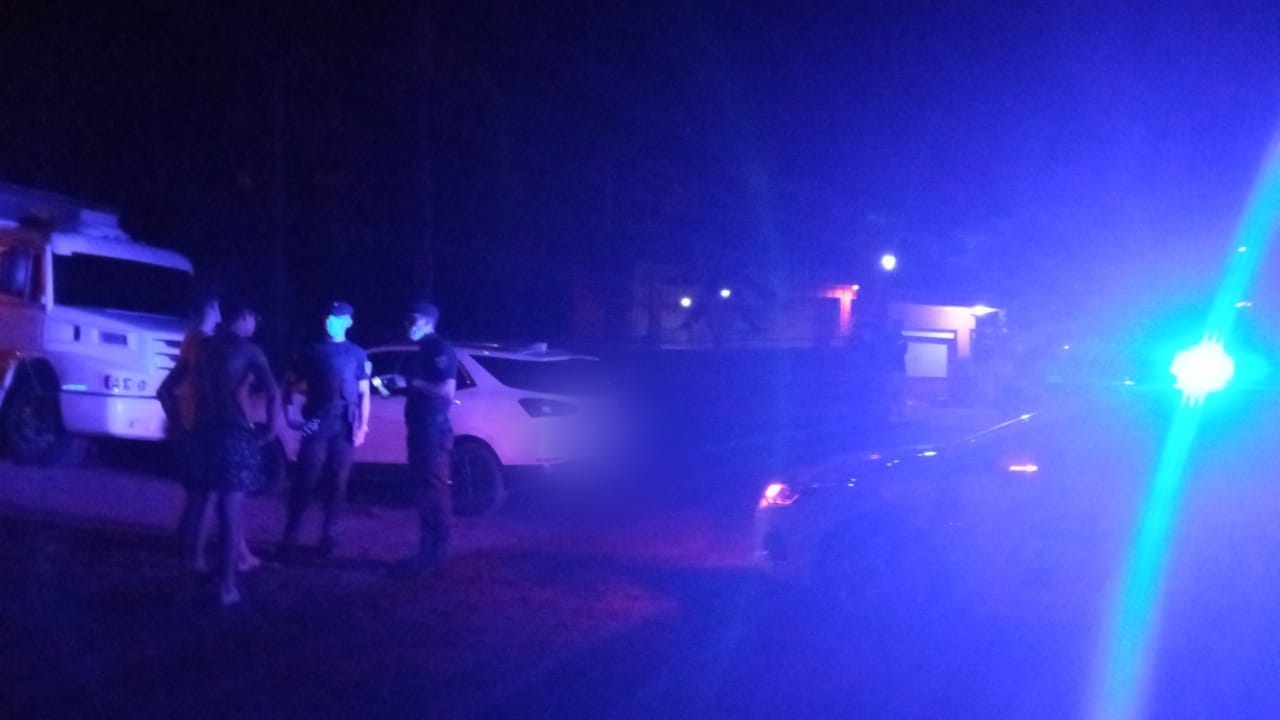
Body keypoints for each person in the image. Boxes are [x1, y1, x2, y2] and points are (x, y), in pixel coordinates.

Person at [157, 293, 261, 574]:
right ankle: (210, 564)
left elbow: (167, 388)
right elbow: (236, 394)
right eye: (215, 306)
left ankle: (194, 558)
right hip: (208, 427)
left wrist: (179, 423)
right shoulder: (209, 344)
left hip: (194, 427)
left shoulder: (196, 341)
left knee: (200, 497)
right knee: (215, 498)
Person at [193, 298, 280, 606]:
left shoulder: (204, 347)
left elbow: (178, 387)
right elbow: (273, 392)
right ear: (243, 317)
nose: (255, 324)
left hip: (204, 431)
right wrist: (271, 429)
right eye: (254, 318)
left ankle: (195, 562)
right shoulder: (249, 350)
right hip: (233, 433)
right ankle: (227, 586)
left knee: (204, 501)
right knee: (230, 511)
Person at [280, 301, 371, 559]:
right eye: (328, 317)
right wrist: (290, 414)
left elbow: (364, 393)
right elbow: (289, 384)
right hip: (316, 422)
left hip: (345, 424)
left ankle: (329, 538)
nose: (330, 321)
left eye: (337, 318)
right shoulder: (312, 351)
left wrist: (363, 425)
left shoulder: (357, 354)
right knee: (305, 478)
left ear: (348, 322)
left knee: (338, 482)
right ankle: (290, 537)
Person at [393, 301, 457, 576]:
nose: (407, 324)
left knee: (434, 492)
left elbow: (446, 390)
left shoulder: (440, 348)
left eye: (413, 319)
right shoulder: (422, 350)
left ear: (428, 322)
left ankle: (436, 557)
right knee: (423, 492)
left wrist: (410, 383)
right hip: (420, 430)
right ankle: (424, 553)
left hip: (433, 432)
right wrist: (398, 387)